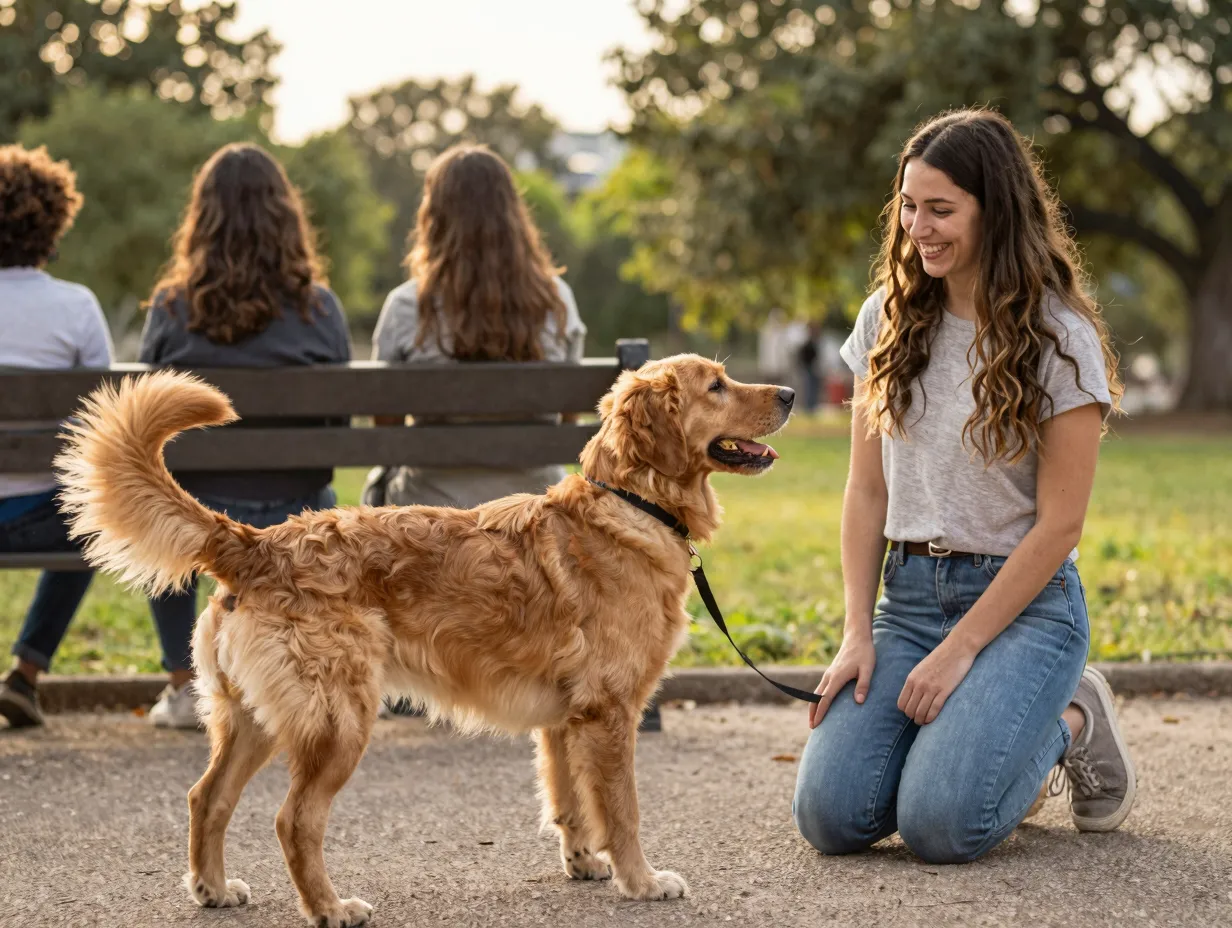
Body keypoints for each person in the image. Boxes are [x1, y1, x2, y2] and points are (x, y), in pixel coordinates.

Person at [792, 109, 1134, 865]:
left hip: (1023, 612)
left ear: (995, 210)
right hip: (908, 601)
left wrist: (962, 651)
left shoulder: (1059, 336)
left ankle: (1072, 716)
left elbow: (1060, 527)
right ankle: (957, 736)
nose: (920, 226)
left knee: (942, 825)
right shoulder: (885, 318)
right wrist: (856, 632)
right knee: (829, 817)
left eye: (942, 209)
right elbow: (866, 493)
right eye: (910, 206)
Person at [138, 142, 351, 728]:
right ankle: (292, 678)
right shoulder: (321, 310)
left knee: (161, 522)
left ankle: (185, 687)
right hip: (295, 505)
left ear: (200, 221)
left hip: (196, 511)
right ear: (286, 218)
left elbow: (149, 419)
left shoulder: (170, 308)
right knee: (326, 513)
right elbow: (339, 429)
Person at [364, 144, 586, 510]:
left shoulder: (406, 305)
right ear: (514, 215)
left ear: (432, 217)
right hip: (534, 506)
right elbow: (567, 417)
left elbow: (386, 429)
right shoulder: (557, 299)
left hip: (430, 508)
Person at [0, 145, 114, 728]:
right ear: (53, 223)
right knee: (91, 520)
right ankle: (25, 674)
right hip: (46, 517)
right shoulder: (76, 307)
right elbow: (103, 416)